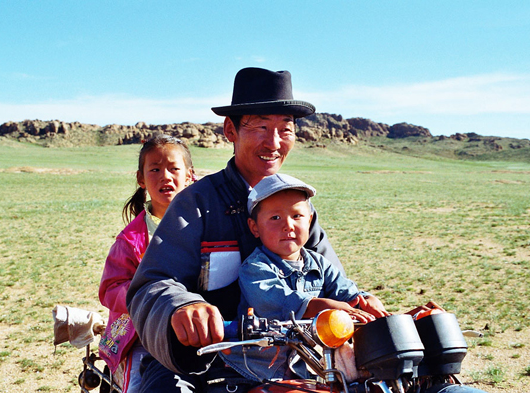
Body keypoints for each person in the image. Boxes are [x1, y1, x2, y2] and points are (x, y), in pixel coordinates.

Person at [126, 67, 347, 392]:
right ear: (230, 130)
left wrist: (360, 302)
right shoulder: (196, 203)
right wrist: (182, 307)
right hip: (203, 363)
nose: (274, 142)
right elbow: (152, 284)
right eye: (260, 127)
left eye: (285, 130)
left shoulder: (299, 208)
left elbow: (330, 279)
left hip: (293, 358)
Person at [221, 173, 389, 382]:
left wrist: (365, 300)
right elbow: (283, 302)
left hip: (313, 365)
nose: (288, 225)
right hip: (260, 369)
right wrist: (323, 305)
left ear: (309, 221)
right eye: (275, 218)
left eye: (297, 216)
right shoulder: (254, 268)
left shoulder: (319, 263)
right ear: (254, 227)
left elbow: (348, 294)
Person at [98, 135, 194, 392]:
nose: (166, 176)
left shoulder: (204, 226)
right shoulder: (131, 239)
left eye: (174, 168)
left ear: (189, 175)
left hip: (193, 328)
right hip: (141, 333)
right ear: (141, 179)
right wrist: (149, 300)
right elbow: (110, 289)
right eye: (155, 169)